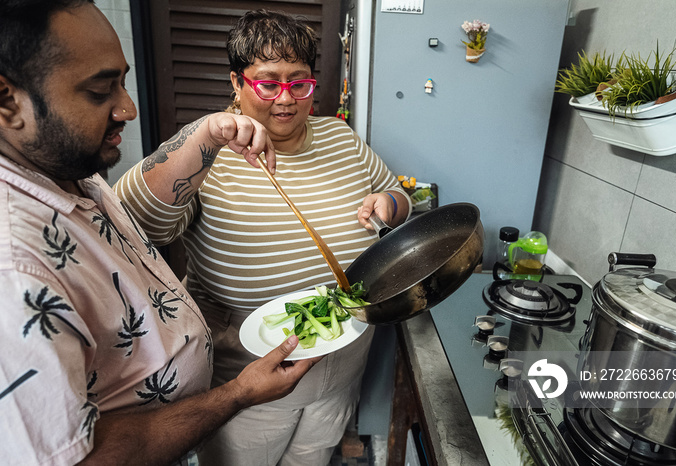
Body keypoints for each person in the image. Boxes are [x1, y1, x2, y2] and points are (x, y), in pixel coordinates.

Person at [0, 2, 318, 465]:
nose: (127, 108)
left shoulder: (70, 172)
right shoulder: (13, 267)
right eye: (99, 91)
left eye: (122, 82)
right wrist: (238, 394)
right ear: (7, 101)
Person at [114, 9, 412, 466]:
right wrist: (205, 135)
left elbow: (395, 193)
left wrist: (391, 203)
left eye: (299, 82)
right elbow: (131, 223)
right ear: (237, 82)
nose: (286, 99)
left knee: (313, 457)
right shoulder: (206, 154)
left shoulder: (340, 137)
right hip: (248, 379)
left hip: (343, 362)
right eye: (268, 83)